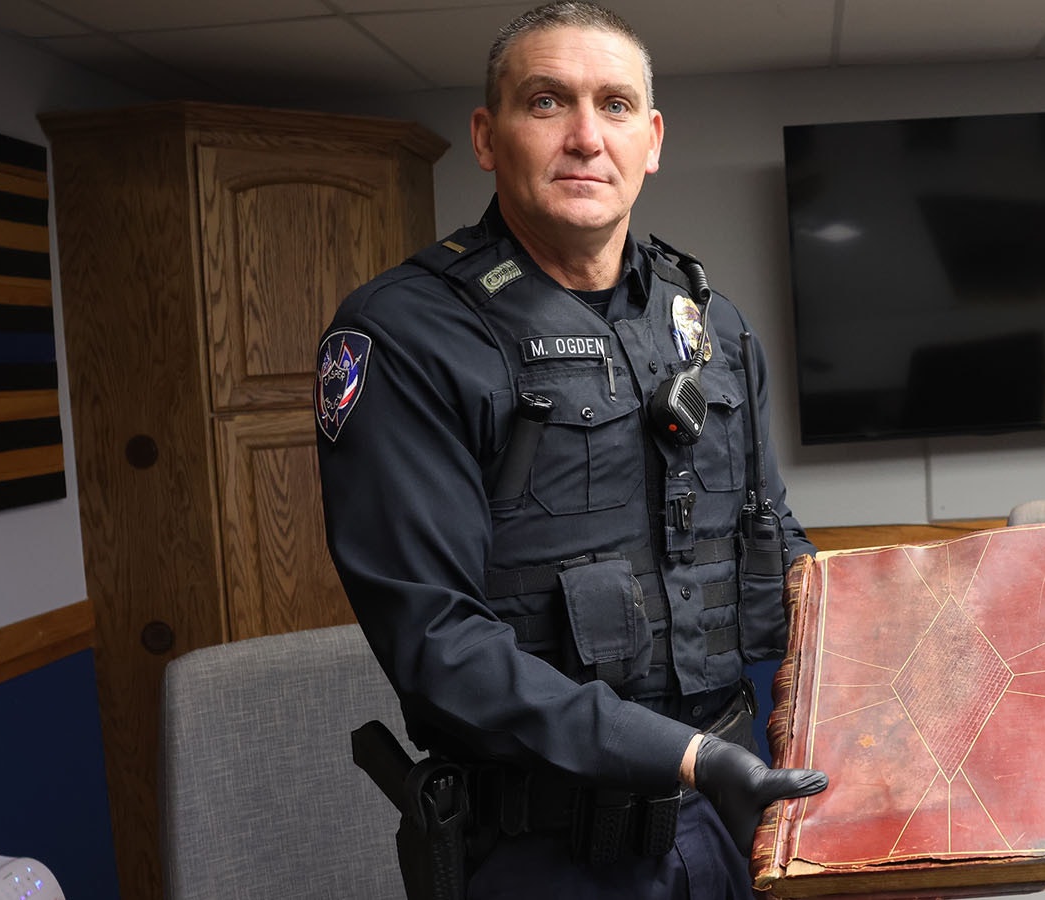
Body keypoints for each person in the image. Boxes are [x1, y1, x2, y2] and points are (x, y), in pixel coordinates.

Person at [313, 3, 826, 897]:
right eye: (548, 102)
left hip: (740, 826)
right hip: (551, 849)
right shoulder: (404, 336)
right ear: (486, 134)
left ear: (652, 138)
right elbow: (437, 644)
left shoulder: (713, 326)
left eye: (616, 105)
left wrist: (904, 658)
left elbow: (772, 536)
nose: (587, 136)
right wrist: (689, 757)